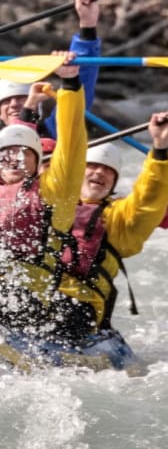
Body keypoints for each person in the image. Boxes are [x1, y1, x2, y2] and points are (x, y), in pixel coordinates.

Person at [0, 52, 88, 332]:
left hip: (30, 298)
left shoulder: (53, 192)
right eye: (5, 155)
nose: (13, 159)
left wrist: (70, 85)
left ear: (37, 160)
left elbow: (71, 142)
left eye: (22, 154)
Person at [58, 125, 168, 334]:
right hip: (41, 292)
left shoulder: (119, 216)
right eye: (92, 166)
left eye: (109, 170)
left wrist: (159, 150)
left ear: (114, 181)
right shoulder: (53, 204)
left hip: (81, 305)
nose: (100, 172)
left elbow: (148, 199)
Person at [0, 0, 101, 136]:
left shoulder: (55, 134)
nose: (14, 104)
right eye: (6, 101)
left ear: (38, 105)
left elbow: (75, 100)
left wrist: (87, 25)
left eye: (22, 98)